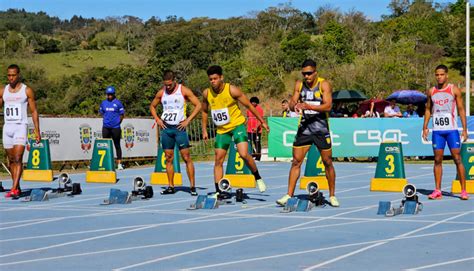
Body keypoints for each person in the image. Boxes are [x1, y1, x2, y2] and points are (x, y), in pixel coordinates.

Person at [276, 59, 339, 207]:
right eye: (304, 73)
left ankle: (332, 195)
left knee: (327, 162)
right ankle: (288, 194)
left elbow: (328, 106)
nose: (306, 76)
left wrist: (309, 106)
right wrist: (295, 106)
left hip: (321, 129)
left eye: (309, 73)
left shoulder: (324, 84)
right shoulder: (299, 85)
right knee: (296, 161)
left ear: (315, 72)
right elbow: (292, 104)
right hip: (304, 129)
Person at [202, 65, 268, 196]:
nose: (213, 82)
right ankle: (218, 190)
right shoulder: (207, 93)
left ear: (221, 77)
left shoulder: (232, 90)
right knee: (218, 160)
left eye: (215, 78)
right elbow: (204, 110)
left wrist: (262, 121)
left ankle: (257, 177)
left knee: (244, 154)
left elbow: (249, 105)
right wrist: (204, 129)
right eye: (210, 79)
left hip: (237, 125)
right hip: (222, 130)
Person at [150, 70, 202, 195]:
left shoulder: (183, 90)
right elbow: (152, 106)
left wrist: (188, 120)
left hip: (179, 129)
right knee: (168, 158)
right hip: (167, 129)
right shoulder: (161, 92)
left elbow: (198, 105)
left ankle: (192, 186)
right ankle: (171, 186)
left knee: (186, 157)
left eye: (169, 84)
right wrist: (157, 119)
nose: (167, 87)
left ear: (174, 81)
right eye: (165, 84)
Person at [423, 64, 469, 200]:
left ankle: (463, 190)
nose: (439, 77)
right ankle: (437, 190)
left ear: (446, 75)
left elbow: (461, 109)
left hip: (451, 131)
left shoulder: (454, 89)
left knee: (457, 159)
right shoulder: (431, 91)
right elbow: (428, 109)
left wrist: (464, 129)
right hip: (437, 132)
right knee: (437, 160)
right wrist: (425, 126)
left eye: (442, 74)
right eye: (437, 74)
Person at [0, 64, 41, 198]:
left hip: (20, 127)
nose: (10, 78)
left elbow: (34, 111)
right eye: (9, 75)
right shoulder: (3, 90)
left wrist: (37, 130)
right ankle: (16, 186)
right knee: (11, 160)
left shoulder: (26, 90)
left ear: (18, 75)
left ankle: (13, 188)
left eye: (13, 75)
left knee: (18, 158)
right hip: (7, 128)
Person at [99, 86, 125, 170]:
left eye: (111, 94)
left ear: (114, 94)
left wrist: (117, 122)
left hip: (115, 127)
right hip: (106, 127)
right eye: (108, 94)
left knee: (117, 145)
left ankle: (119, 164)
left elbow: (122, 114)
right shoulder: (103, 103)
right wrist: (106, 119)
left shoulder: (118, 103)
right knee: (105, 145)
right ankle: (107, 163)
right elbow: (101, 113)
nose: (109, 96)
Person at [247, 96, 263, 161]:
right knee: (249, 143)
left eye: (254, 102)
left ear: (257, 103)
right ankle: (252, 153)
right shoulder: (248, 109)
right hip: (249, 130)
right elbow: (248, 118)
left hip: (257, 131)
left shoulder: (259, 109)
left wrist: (256, 127)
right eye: (252, 102)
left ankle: (258, 157)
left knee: (257, 143)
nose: (253, 103)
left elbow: (261, 119)